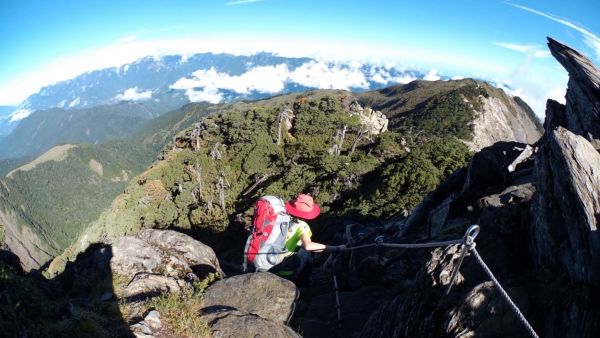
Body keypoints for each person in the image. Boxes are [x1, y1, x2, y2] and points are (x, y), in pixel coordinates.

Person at [268, 194, 345, 280]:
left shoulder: (281, 218)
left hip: (267, 262)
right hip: (283, 269)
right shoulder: (302, 226)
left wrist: (325, 249)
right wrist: (336, 248)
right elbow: (308, 246)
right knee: (306, 254)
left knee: (303, 251)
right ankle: (303, 284)